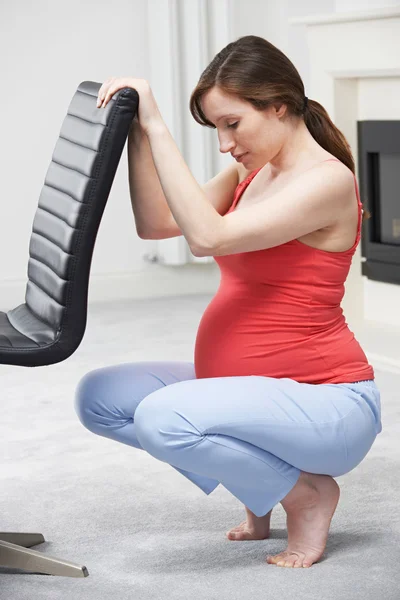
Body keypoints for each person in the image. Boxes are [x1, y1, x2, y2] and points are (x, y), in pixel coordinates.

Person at [74, 35, 382, 569]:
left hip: (328, 404)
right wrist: (137, 136)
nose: (224, 144)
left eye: (231, 124)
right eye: (217, 128)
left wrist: (158, 123)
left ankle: (307, 495)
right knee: (100, 397)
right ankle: (266, 485)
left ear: (278, 105)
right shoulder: (254, 172)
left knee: (162, 419)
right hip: (246, 389)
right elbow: (159, 224)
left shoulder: (327, 182)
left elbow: (207, 238)